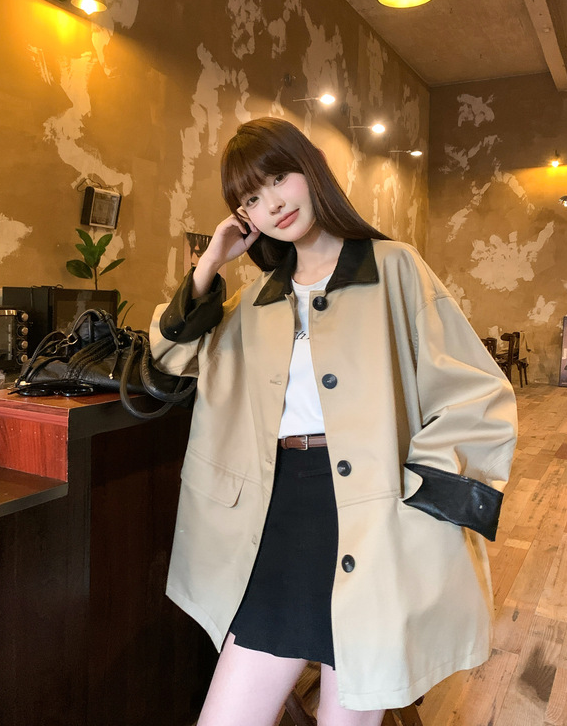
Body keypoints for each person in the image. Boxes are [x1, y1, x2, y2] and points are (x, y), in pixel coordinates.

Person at [150, 117, 517, 726]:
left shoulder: (393, 268)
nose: (272, 204)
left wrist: (420, 493)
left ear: (310, 169)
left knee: (350, 712)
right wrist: (209, 264)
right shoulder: (258, 300)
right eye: (251, 199)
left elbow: (477, 393)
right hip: (276, 515)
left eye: (278, 178)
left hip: (374, 516)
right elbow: (170, 359)